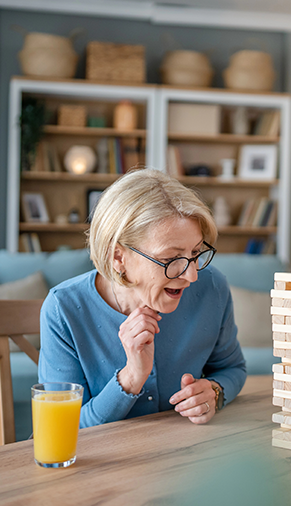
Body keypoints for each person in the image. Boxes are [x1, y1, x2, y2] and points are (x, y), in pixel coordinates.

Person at [38, 169, 246, 428]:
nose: (192, 275)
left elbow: (232, 368)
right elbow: (60, 427)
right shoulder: (63, 309)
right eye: (171, 259)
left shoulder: (212, 286)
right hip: (104, 465)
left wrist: (214, 392)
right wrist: (131, 377)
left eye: (195, 253)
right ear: (118, 257)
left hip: (188, 456)